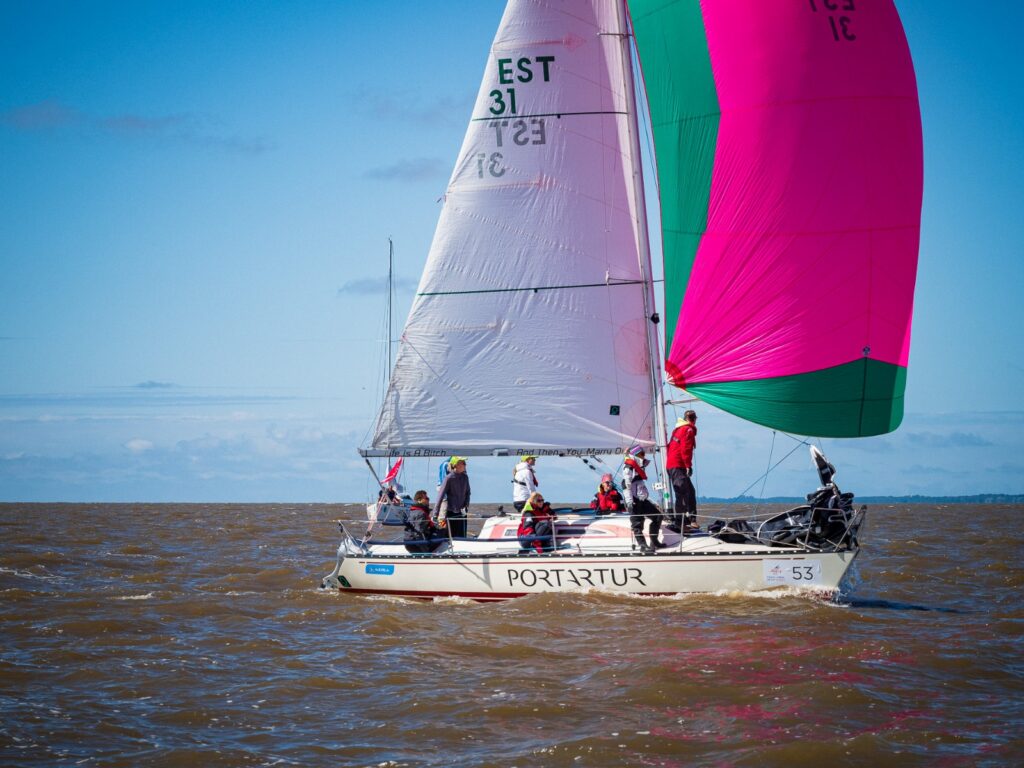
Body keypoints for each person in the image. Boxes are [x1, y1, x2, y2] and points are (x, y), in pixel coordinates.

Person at [622, 445, 662, 552]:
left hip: (642, 499)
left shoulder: (638, 467)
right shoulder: (628, 468)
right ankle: (643, 546)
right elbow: (626, 485)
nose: (643, 457)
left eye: (643, 454)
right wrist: (629, 501)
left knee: (658, 517)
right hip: (633, 500)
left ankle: (654, 542)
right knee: (637, 523)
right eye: (641, 454)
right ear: (635, 455)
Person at [666, 410, 699, 532]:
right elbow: (686, 449)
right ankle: (680, 523)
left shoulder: (679, 429)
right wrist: (688, 466)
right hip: (677, 465)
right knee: (682, 494)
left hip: (673, 465)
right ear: (694, 419)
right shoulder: (688, 430)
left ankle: (691, 519)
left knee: (690, 491)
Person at [436, 456, 471, 538]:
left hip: (461, 509)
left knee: (461, 532)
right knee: (449, 533)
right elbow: (441, 492)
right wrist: (435, 513)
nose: (465, 465)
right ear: (456, 464)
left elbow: (468, 492)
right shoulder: (447, 473)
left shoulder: (465, 477)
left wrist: (466, 505)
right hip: (449, 505)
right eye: (463, 463)